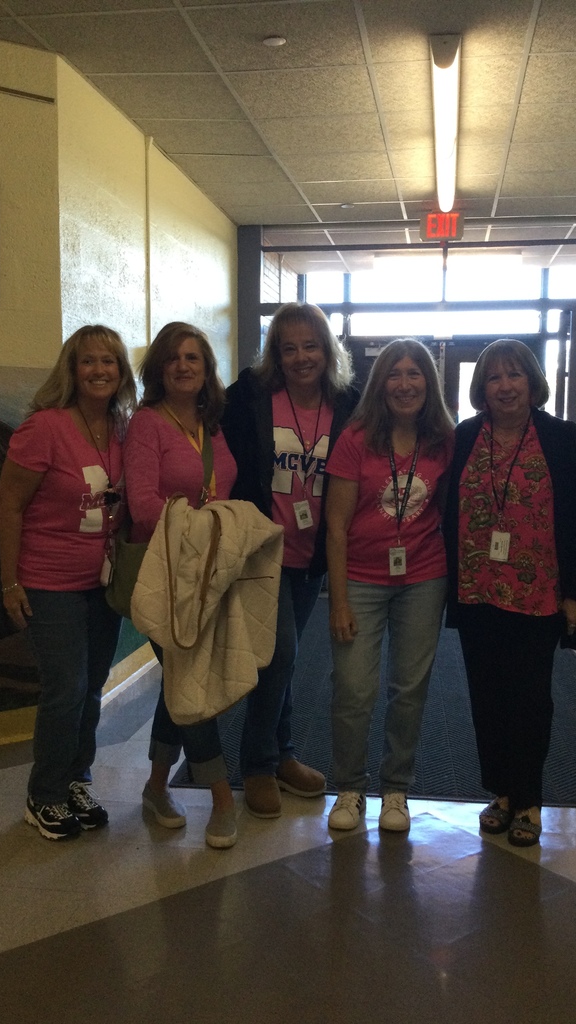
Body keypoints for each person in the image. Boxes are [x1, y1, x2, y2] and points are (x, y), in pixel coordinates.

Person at [442, 339, 576, 847]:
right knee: (486, 696)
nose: (505, 386)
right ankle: (501, 794)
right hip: (477, 592)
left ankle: (529, 798)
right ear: (481, 388)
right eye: (494, 377)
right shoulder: (466, 437)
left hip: (539, 596)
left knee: (530, 698)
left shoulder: (564, 440)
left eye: (515, 375)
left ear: (533, 382)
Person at [0, 325, 137, 840]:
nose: (100, 370)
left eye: (110, 362)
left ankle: (76, 778)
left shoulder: (124, 428)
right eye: (89, 361)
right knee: (66, 687)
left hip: (102, 581)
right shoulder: (44, 428)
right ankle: (45, 794)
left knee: (92, 687)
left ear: (122, 373)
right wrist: (10, 583)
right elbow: (9, 506)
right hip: (47, 581)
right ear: (71, 370)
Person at [222, 302, 359, 818]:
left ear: (327, 350)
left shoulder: (348, 404)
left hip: (311, 553)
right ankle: (257, 764)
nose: (302, 357)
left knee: (287, 656)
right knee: (277, 655)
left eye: (311, 346)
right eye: (289, 347)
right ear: (275, 355)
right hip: (262, 550)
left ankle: (281, 755)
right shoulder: (251, 398)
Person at [325, 338, 454, 832]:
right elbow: (335, 527)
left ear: (429, 383)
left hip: (424, 578)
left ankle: (396, 789)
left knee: (409, 689)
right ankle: (350, 789)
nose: (404, 383)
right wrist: (337, 601)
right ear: (381, 385)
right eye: (394, 374)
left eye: (414, 373)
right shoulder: (357, 438)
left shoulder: (443, 439)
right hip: (359, 579)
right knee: (354, 690)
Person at [123, 321, 240, 849]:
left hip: (207, 575)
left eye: (193, 357)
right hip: (165, 574)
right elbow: (143, 505)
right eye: (172, 358)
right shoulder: (147, 424)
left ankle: (154, 786)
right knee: (192, 677)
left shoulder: (211, 423)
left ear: (206, 369)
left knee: (178, 679)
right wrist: (200, 529)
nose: (183, 366)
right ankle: (220, 794)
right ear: (158, 369)